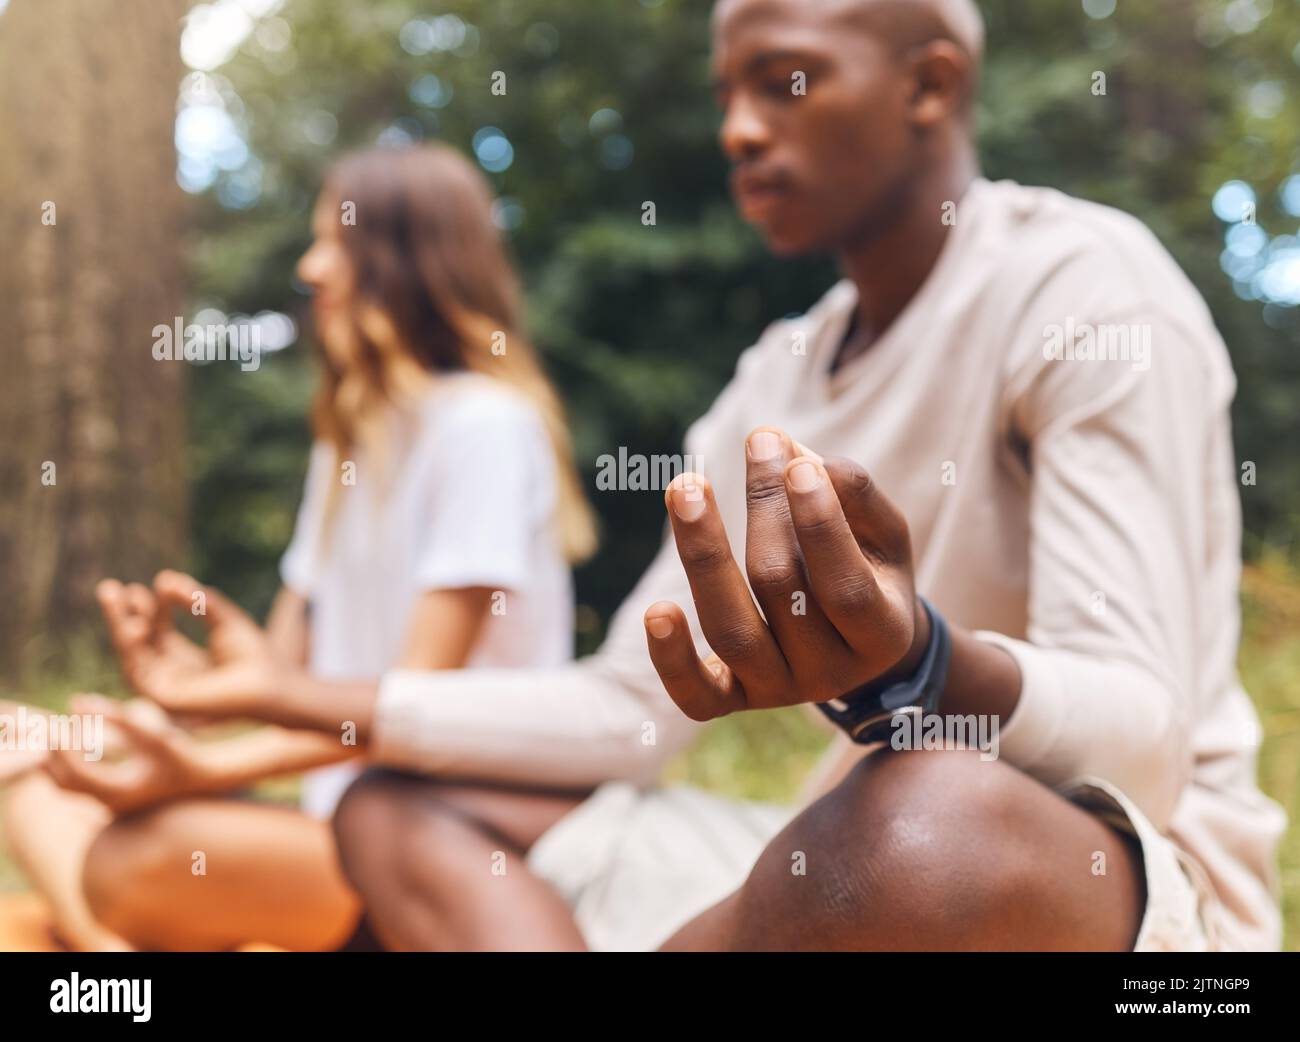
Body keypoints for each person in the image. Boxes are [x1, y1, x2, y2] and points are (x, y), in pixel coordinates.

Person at [86, 0, 1283, 951]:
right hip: (830, 855)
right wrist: (278, 693)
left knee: (924, 827)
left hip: (1112, 885)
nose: (738, 130)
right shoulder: (778, 376)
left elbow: (1143, 749)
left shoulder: (1083, 293)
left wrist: (919, 668)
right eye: (726, 94)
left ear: (929, 83)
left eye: (785, 80)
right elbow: (624, 713)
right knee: (396, 803)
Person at [2, 143, 595, 951]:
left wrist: (202, 774)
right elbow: (272, 681)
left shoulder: (483, 427)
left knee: (136, 863)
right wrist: (102, 729)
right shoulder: (349, 442)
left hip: (436, 840)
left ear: (406, 264)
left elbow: (413, 705)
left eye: (337, 245)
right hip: (329, 816)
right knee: (26, 784)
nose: (313, 269)